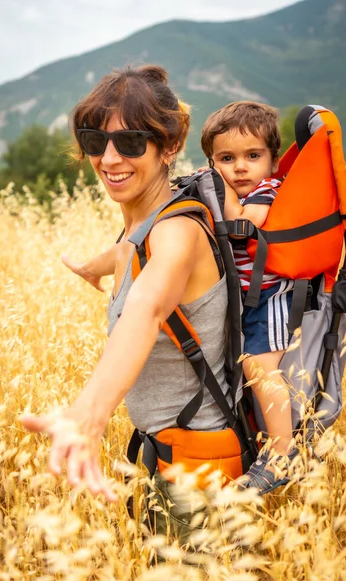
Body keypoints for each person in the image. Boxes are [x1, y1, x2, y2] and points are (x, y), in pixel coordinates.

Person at [21, 64, 232, 540]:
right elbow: (126, 251)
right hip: (161, 460)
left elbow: (147, 309)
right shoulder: (138, 231)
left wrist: (86, 417)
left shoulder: (177, 233)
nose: (110, 158)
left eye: (132, 142)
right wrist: (92, 267)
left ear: (170, 146)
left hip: (197, 473)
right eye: (97, 142)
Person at [200, 101, 297, 492]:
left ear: (272, 161)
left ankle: (281, 454)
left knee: (260, 367)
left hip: (270, 298)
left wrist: (216, 185)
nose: (240, 167)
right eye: (227, 158)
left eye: (252, 156)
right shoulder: (227, 186)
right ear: (212, 160)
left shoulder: (267, 188)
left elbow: (244, 225)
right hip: (242, 303)